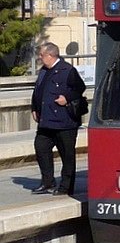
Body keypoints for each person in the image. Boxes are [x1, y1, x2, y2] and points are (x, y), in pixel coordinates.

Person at [30, 42, 86, 195]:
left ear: (50, 55)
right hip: (46, 121)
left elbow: (80, 88)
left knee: (67, 155)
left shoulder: (67, 70)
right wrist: (34, 108)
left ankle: (66, 186)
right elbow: (37, 91)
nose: (40, 58)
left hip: (64, 122)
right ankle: (47, 182)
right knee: (41, 147)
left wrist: (66, 98)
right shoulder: (43, 71)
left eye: (42, 55)